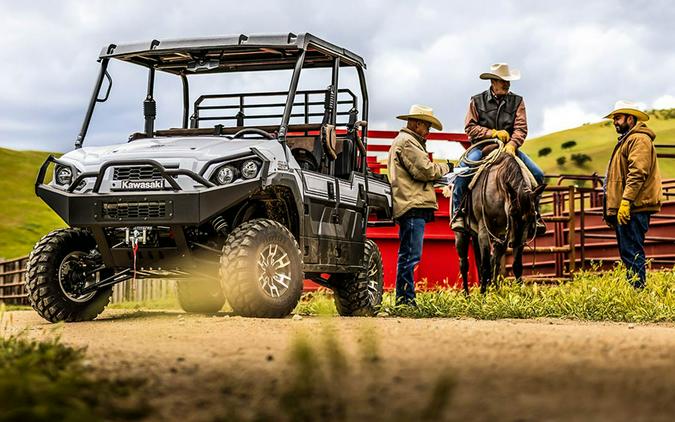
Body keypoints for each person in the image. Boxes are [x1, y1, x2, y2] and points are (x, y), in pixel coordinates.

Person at [451, 63, 546, 235]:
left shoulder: (517, 101)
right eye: (503, 81)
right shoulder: (476, 100)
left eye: (508, 81)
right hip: (482, 147)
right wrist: (492, 133)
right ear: (493, 81)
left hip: (509, 149)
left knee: (538, 174)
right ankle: (458, 213)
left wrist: (512, 144)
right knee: (461, 173)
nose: (507, 84)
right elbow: (470, 127)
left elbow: (521, 128)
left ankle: (535, 214)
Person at [388, 105, 451, 306]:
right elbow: (425, 171)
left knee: (408, 254)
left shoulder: (406, 141)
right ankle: (406, 300)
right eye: (427, 126)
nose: (429, 131)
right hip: (412, 204)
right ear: (417, 123)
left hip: (410, 202)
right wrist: (447, 168)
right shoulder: (408, 143)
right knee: (410, 255)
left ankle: (405, 298)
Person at [603, 101, 662, 289]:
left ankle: (638, 291)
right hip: (629, 206)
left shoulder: (639, 140)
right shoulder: (629, 140)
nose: (615, 122)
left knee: (632, 250)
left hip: (634, 206)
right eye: (614, 118)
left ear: (630, 118)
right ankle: (635, 290)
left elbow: (637, 173)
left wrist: (626, 201)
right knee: (628, 251)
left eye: (618, 118)